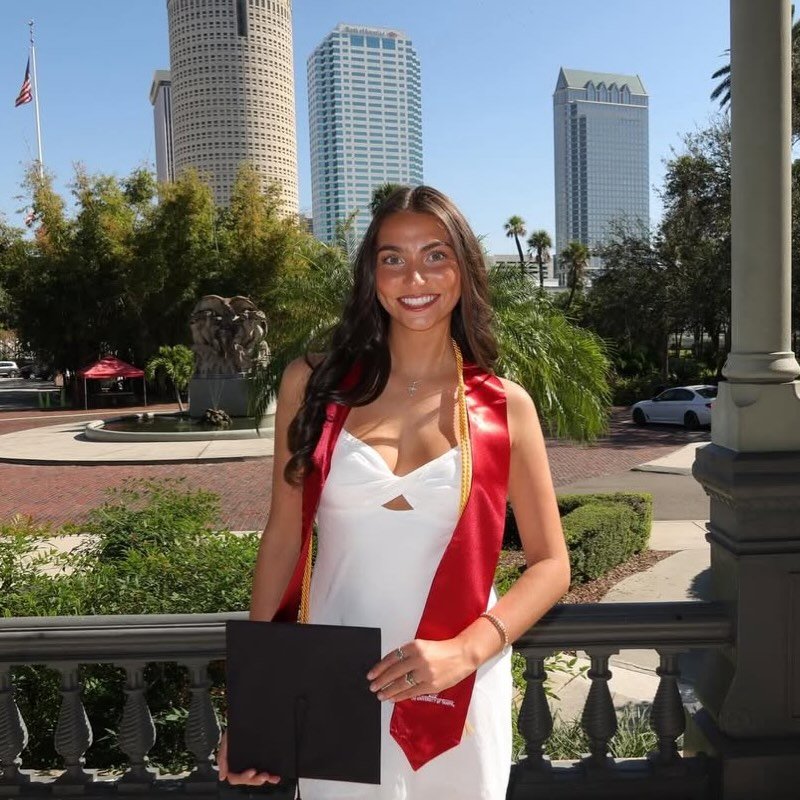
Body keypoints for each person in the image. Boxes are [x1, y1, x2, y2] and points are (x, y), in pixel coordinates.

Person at [217, 186, 570, 799]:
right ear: (371, 275)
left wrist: (467, 649)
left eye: (436, 255)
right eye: (392, 259)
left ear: (464, 268)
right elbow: (282, 539)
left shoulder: (503, 407)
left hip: (456, 689)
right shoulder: (315, 385)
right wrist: (258, 699)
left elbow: (551, 563)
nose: (415, 278)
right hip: (335, 680)